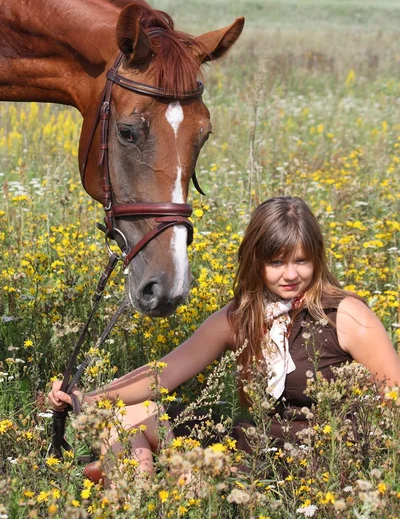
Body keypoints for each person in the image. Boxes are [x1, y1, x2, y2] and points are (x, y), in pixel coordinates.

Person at [49, 197, 400, 476]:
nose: (291, 274)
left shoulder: (345, 314)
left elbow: (394, 398)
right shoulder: (240, 316)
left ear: (317, 260)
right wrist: (85, 397)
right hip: (251, 447)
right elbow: (163, 374)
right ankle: (138, 494)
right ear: (255, 262)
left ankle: (159, 482)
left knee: (172, 455)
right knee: (127, 416)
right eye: (277, 262)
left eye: (302, 261)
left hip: (316, 465)